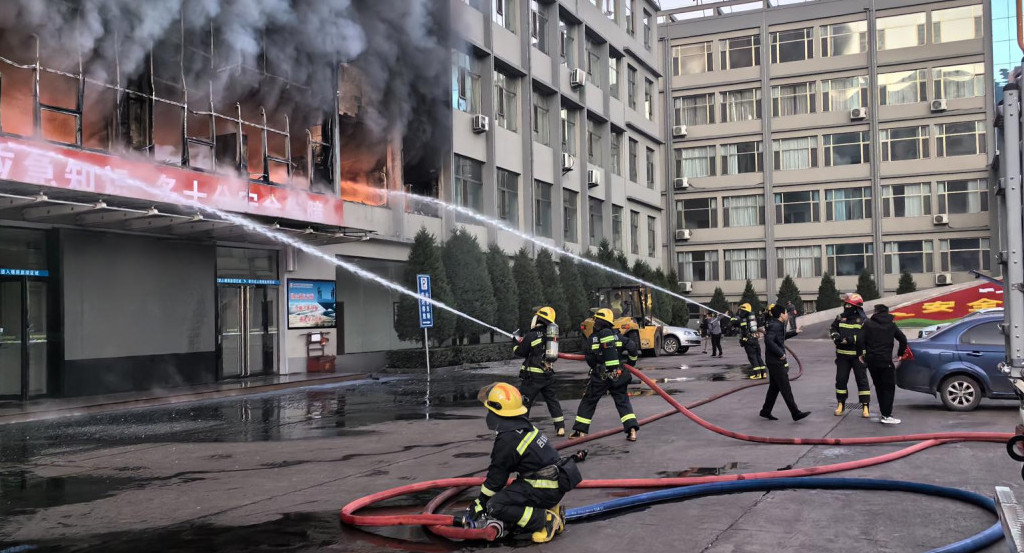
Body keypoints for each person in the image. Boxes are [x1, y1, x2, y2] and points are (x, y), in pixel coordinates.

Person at [456, 382, 583, 543]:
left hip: (545, 489)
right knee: (511, 493)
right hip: (554, 484)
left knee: (496, 506)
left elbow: (497, 479)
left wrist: (481, 502)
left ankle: (545, 521)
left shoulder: (508, 439)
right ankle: (550, 510)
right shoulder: (524, 425)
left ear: (496, 410)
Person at [570, 308, 640, 441]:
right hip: (618, 375)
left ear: (599, 322)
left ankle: (580, 432)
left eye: (596, 320)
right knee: (623, 402)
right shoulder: (618, 336)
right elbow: (632, 347)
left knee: (589, 401)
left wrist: (596, 365)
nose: (594, 322)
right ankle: (632, 431)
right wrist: (631, 364)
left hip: (600, 377)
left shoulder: (593, 338)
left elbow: (589, 358)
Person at [514, 306, 565, 437]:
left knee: (524, 402)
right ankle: (560, 428)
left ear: (538, 319)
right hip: (548, 374)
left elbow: (521, 352)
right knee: (552, 401)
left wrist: (514, 343)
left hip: (533, 377)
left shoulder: (532, 335)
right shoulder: (551, 336)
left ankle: (521, 429)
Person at [760, 304, 810, 422]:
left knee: (774, 387)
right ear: (782, 315)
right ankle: (795, 413)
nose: (788, 315)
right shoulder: (775, 325)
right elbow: (769, 341)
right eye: (786, 313)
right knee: (785, 387)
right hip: (776, 361)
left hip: (773, 361)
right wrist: (780, 354)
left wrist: (795, 332)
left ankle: (765, 411)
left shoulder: (777, 324)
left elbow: (780, 338)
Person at [860, 304, 909, 425]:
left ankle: (884, 413)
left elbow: (860, 340)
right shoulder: (891, 325)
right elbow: (903, 339)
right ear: (887, 312)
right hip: (885, 361)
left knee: (879, 387)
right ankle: (887, 415)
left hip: (871, 361)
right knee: (888, 388)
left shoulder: (867, 324)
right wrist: (900, 353)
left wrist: (862, 354)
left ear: (875, 312)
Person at [830, 293, 872, 418]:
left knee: (862, 381)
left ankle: (865, 406)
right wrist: (835, 336)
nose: (846, 307)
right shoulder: (840, 318)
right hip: (842, 356)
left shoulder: (863, 320)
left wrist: (851, 339)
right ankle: (841, 404)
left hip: (858, 356)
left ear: (856, 307)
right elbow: (833, 328)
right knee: (841, 380)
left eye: (849, 305)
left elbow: (865, 336)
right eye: (845, 304)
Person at [734, 303, 767, 380]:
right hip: (755, 340)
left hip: (748, 341)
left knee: (752, 357)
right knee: (758, 357)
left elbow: (735, 324)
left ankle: (757, 374)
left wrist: (733, 318)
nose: (740, 312)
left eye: (741, 310)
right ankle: (763, 373)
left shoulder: (743, 319)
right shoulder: (753, 318)